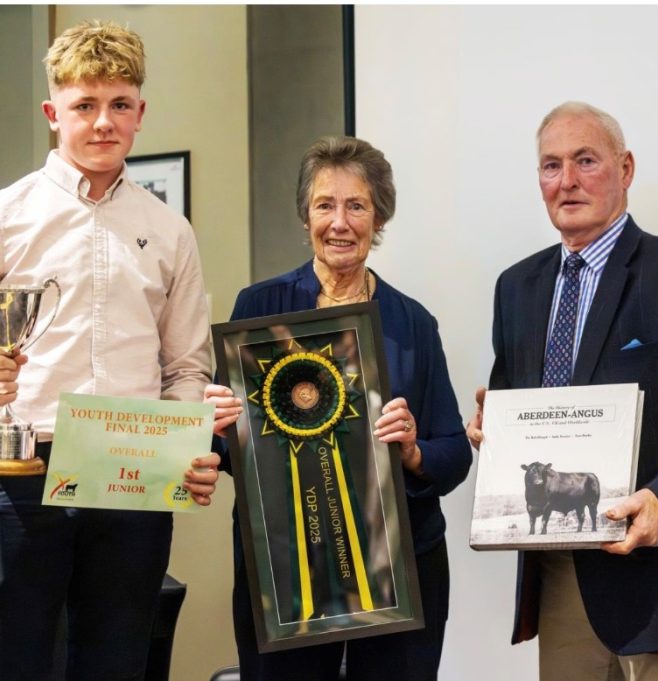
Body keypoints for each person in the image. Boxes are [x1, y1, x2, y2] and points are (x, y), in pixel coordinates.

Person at [0, 20, 220, 681]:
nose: (103, 122)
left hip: (132, 474)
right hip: (18, 473)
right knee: (8, 667)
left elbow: (187, 367)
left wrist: (186, 447)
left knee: (116, 666)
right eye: (85, 105)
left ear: (141, 113)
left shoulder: (170, 232)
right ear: (54, 114)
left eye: (119, 104)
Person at [466, 101, 658, 680]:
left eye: (586, 160)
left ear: (625, 168)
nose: (568, 180)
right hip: (562, 580)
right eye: (551, 166)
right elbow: (515, 398)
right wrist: (495, 430)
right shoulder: (517, 287)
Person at [206, 135, 472, 681]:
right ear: (305, 217)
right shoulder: (259, 308)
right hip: (284, 573)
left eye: (357, 206)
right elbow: (224, 446)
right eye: (325, 205)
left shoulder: (412, 323)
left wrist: (413, 451)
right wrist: (220, 428)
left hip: (398, 570)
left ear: (379, 218)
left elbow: (453, 453)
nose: (340, 223)